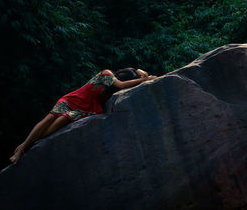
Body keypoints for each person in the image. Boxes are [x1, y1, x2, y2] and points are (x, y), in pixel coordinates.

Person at [9, 68, 157, 165]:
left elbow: (131, 81)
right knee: (49, 119)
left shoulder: (110, 91)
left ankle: (26, 145)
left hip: (85, 108)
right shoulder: (107, 74)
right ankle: (22, 149)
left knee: (54, 127)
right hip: (74, 99)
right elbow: (123, 84)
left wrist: (144, 77)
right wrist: (142, 76)